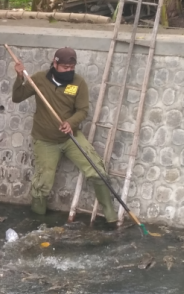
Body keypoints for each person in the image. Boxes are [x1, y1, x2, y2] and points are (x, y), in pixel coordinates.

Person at [11, 47, 117, 223]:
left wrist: (71, 123)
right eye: (65, 67)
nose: (69, 71)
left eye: (72, 67)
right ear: (55, 63)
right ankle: (37, 222)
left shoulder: (78, 83)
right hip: (45, 140)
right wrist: (20, 77)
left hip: (71, 137)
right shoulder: (38, 79)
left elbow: (82, 110)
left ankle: (111, 217)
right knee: (43, 183)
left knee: (97, 170)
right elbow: (17, 97)